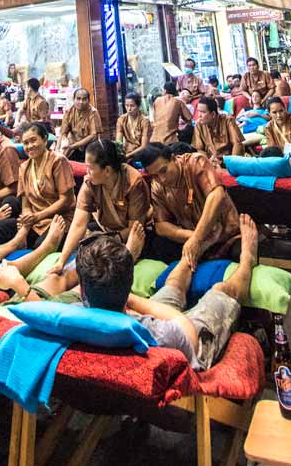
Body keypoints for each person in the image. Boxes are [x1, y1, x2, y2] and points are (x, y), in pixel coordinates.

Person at [76, 213, 258, 372]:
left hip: (128, 315)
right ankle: (247, 258)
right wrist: (129, 299)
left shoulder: (68, 318)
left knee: (172, 287)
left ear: (83, 290)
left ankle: (191, 256)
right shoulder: (158, 334)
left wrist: (124, 299)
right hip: (188, 342)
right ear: (130, 283)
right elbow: (188, 333)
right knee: (221, 290)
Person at [49, 139, 151, 274]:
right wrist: (61, 262)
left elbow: (135, 229)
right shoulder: (90, 183)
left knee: (104, 264)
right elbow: (78, 224)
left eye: (90, 168)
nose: (87, 172)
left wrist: (110, 240)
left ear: (107, 170)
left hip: (135, 235)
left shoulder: (133, 182)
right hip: (107, 231)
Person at [137, 143, 241, 264]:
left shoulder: (196, 162)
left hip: (226, 235)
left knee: (240, 254)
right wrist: (194, 237)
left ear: (173, 158)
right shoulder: (157, 185)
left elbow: (217, 195)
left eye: (164, 171)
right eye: (154, 176)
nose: (162, 179)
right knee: (159, 245)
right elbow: (161, 225)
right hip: (194, 238)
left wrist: (197, 238)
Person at [0, 121, 75, 248]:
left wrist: (37, 216)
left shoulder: (58, 162)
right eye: (26, 143)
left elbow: (66, 200)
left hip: (60, 220)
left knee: (39, 244)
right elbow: (25, 204)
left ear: (45, 140)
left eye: (33, 140)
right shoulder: (24, 167)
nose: (29, 146)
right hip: (36, 222)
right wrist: (26, 219)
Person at [191, 96, 243, 162]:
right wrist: (207, 162)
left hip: (229, 161)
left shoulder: (228, 121)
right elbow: (200, 149)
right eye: (199, 111)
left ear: (213, 114)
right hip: (211, 162)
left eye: (203, 112)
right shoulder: (199, 125)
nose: (199, 115)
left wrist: (231, 164)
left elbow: (237, 143)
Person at [58, 88, 102, 160]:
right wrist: (58, 149)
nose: (81, 102)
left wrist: (72, 147)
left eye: (84, 99)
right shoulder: (69, 112)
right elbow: (63, 133)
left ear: (88, 100)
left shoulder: (93, 112)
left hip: (90, 147)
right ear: (73, 99)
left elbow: (93, 136)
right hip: (73, 146)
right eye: (78, 99)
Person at [152, 80, 193, 145]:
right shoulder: (178, 102)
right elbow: (189, 119)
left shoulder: (157, 100)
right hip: (170, 140)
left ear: (165, 91)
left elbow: (155, 117)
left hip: (154, 139)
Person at [115, 93, 152, 159]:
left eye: (132, 106)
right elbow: (118, 143)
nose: (129, 108)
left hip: (142, 154)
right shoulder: (121, 119)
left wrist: (128, 156)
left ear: (138, 106)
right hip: (127, 152)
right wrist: (119, 153)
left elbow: (144, 146)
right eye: (127, 105)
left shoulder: (145, 121)